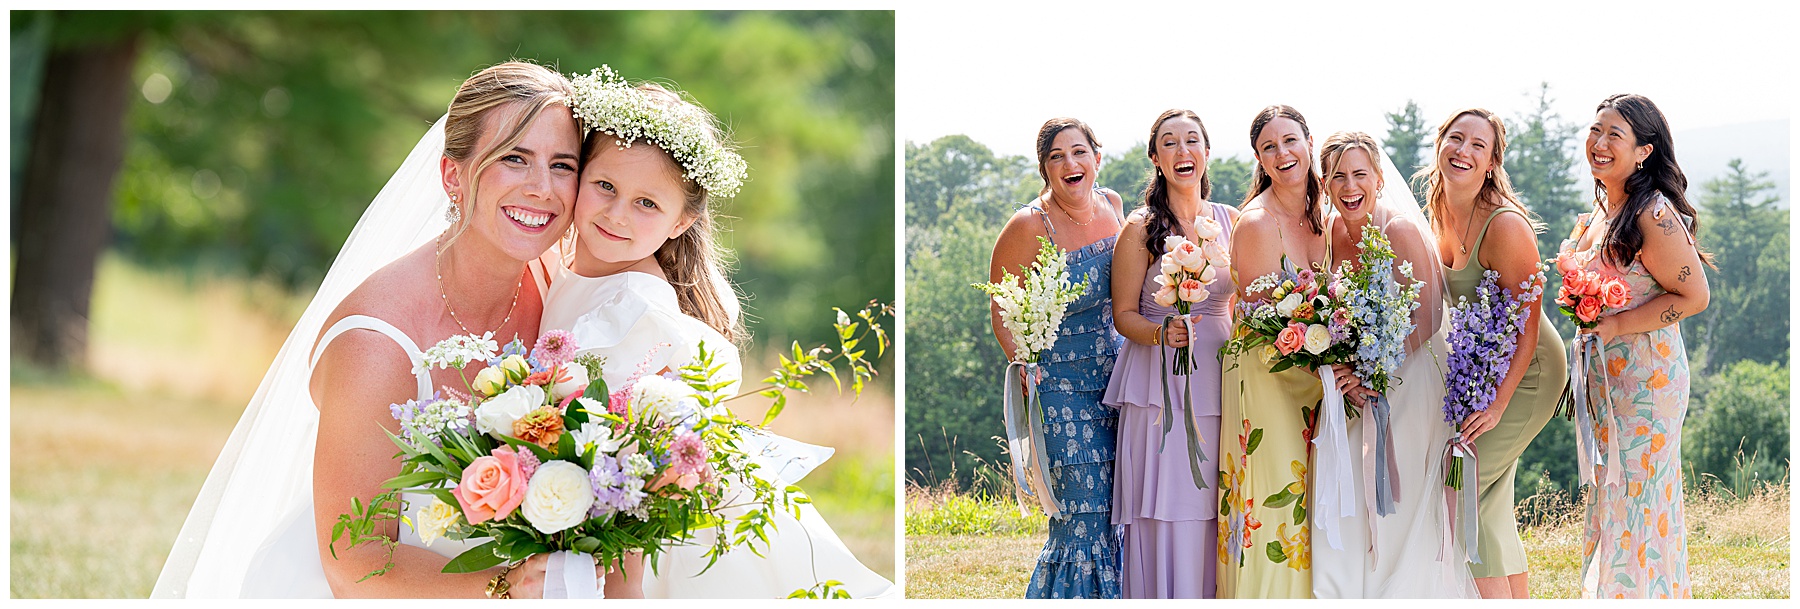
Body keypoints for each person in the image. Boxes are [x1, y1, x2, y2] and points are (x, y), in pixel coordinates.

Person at [153, 62, 636, 598]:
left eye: (562, 165)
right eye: (514, 158)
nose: (542, 188)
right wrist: (506, 586)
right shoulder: (376, 343)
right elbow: (355, 561)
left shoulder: (554, 279)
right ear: (453, 176)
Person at [537, 67, 893, 598]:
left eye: (647, 203)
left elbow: (634, 467)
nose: (616, 213)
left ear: (681, 220)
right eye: (605, 186)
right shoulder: (578, 274)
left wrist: (623, 587)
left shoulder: (636, 310)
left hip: (657, 544)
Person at [1311, 131, 1477, 598]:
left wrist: (1373, 369)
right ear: (1324, 183)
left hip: (1407, 378)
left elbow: (1427, 317)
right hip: (1353, 388)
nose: (1349, 186)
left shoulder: (1398, 230)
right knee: (1353, 493)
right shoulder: (1328, 233)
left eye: (1359, 174)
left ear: (1379, 179)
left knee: (1396, 497)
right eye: (1338, 176)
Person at [1562, 93, 1707, 599]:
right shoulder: (1601, 212)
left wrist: (1619, 327)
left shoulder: (1653, 213)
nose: (1599, 144)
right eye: (1595, 130)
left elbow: (1694, 295)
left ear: (1643, 151)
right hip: (1607, 381)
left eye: (1614, 136)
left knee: (1638, 503)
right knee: (1614, 501)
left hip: (1648, 384)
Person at [1421, 108, 1567, 599]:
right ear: (1439, 144)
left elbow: (1527, 327)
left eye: (1476, 145)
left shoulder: (1505, 225)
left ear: (1491, 161)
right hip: (1482, 369)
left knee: (1464, 489)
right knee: (1491, 499)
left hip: (1528, 373)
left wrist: (1498, 403)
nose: (1462, 151)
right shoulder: (1439, 207)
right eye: (1455, 139)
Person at [989, 117, 1126, 598]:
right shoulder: (1029, 225)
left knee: (1116, 513)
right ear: (1044, 169)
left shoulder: (1113, 205)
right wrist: (1023, 363)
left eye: (1079, 152)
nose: (1070, 163)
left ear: (1097, 157)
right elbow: (1000, 308)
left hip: (1116, 381)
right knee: (1081, 518)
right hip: (1061, 391)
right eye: (1056, 156)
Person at [1101, 109, 1235, 599]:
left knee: (1215, 502)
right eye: (1170, 143)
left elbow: (1238, 300)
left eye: (1192, 141)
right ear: (1156, 158)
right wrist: (1163, 336)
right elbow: (1122, 315)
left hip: (1219, 378)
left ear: (1206, 152)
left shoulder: (1230, 220)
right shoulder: (1140, 226)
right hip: (1158, 382)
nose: (1183, 151)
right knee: (1167, 505)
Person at [1216, 105, 1327, 599]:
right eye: (1269, 147)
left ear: (1308, 142)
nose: (1282, 154)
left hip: (1318, 372)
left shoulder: (1325, 212)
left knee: (1316, 493)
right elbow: (1266, 319)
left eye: (1290, 141)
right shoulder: (1258, 223)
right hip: (1266, 373)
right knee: (1277, 496)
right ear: (1259, 158)